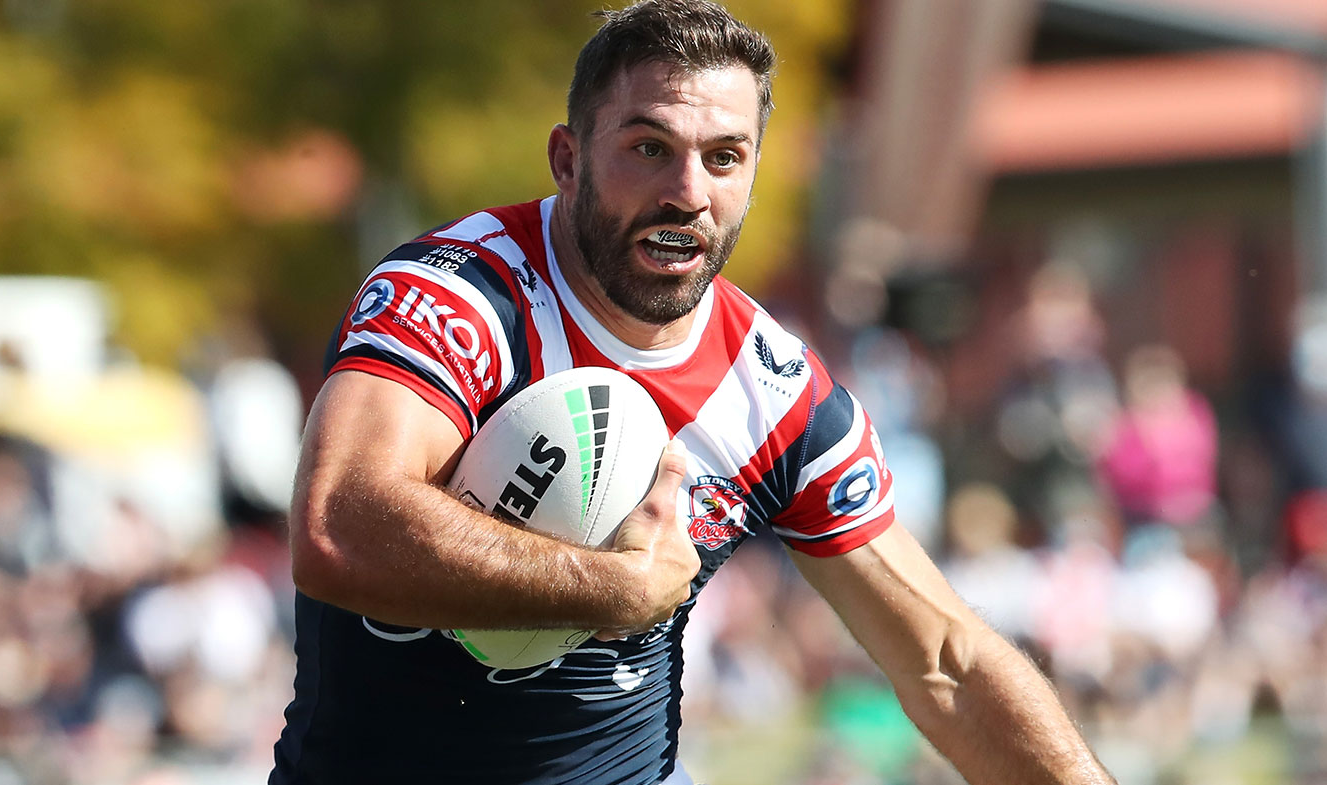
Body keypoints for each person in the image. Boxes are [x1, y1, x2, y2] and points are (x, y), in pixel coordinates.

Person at [270, 2, 1115, 783]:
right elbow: (338, 523)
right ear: (568, 159)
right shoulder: (463, 295)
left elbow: (948, 663)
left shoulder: (774, 392)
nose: (688, 191)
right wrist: (617, 589)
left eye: (724, 158)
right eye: (648, 148)